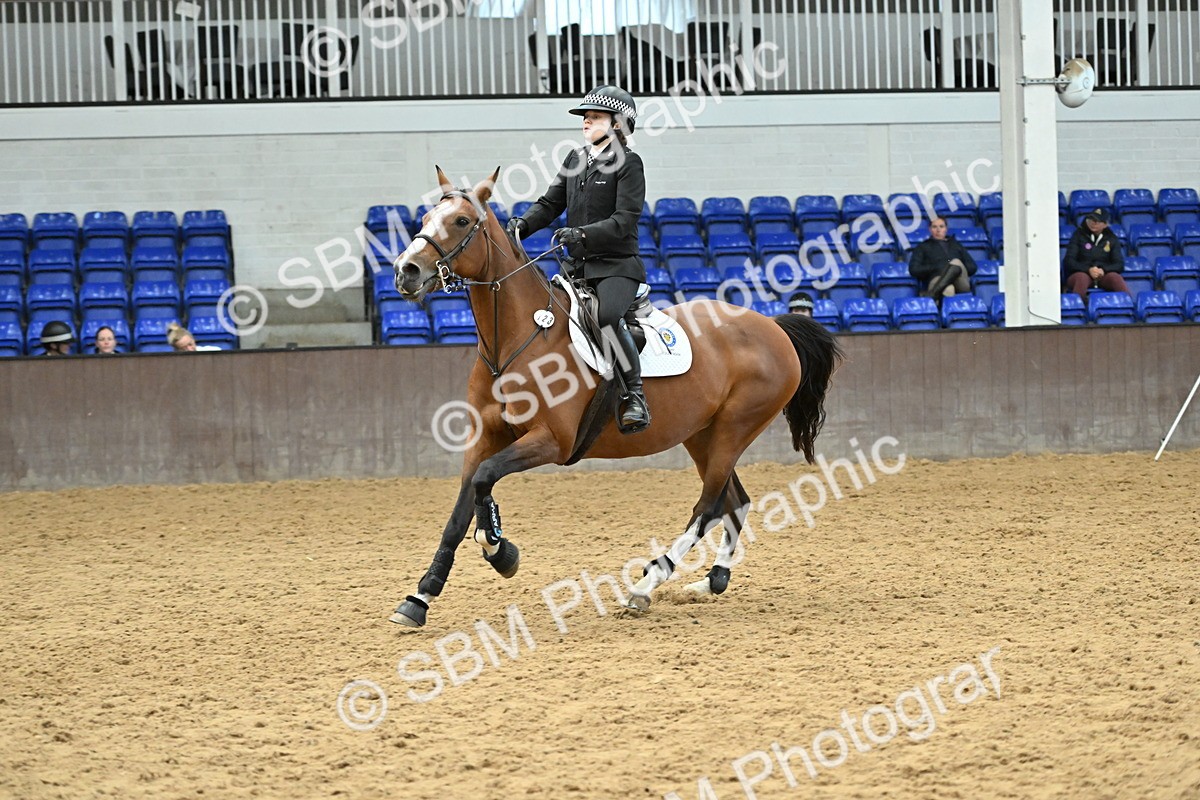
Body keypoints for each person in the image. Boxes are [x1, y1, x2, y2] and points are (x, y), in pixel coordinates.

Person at [506, 85, 650, 434]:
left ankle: (634, 395)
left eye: (596, 116)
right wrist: (523, 224)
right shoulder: (575, 159)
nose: (586, 120)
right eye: (586, 116)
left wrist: (582, 234)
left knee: (605, 316)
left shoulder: (629, 163)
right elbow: (551, 203)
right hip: (576, 269)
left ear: (618, 124)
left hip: (616, 267)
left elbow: (625, 219)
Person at [1063, 208, 1129, 301]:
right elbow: (1069, 261)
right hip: (1080, 273)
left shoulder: (1112, 238)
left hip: (1102, 275)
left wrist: (1103, 270)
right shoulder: (1078, 235)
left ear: (1105, 224)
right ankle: (1077, 309)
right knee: (1081, 278)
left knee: (1115, 278)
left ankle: (1126, 306)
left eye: (1098, 221)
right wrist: (1088, 269)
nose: (1094, 223)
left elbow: (1119, 264)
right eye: (1092, 220)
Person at [907, 217, 977, 302]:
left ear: (946, 229)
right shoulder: (922, 247)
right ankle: (947, 313)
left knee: (956, 262)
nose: (938, 230)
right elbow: (914, 270)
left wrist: (954, 268)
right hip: (937, 278)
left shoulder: (956, 245)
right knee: (948, 289)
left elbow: (973, 267)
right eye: (934, 227)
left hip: (960, 282)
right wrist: (936, 267)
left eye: (941, 226)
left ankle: (931, 294)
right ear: (930, 229)